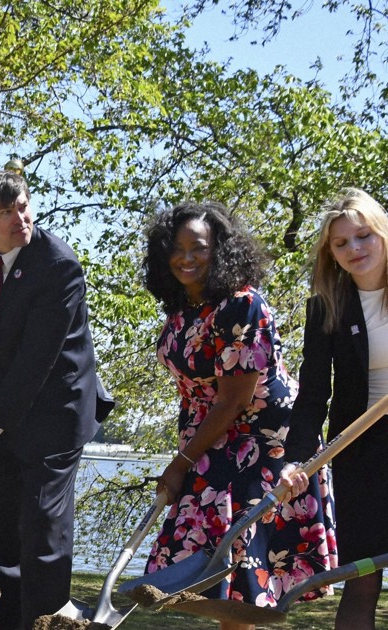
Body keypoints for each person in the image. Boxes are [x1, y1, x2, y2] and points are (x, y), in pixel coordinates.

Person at [141, 201, 338, 630]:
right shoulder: (182, 311)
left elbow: (232, 400)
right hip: (210, 445)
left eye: (199, 248)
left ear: (220, 251)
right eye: (177, 249)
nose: (187, 258)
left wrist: (180, 464)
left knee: (242, 578)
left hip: (260, 448)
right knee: (215, 582)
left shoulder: (242, 305)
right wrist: (189, 455)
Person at [0, 170, 112, 630]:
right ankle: (7, 621)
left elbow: (36, 359)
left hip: (57, 410)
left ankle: (45, 621)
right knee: (2, 528)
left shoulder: (58, 264)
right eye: (6, 212)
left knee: (41, 527)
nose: (20, 218)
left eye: (23, 206)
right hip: (1, 402)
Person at [279, 188, 388, 630]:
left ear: (382, 234)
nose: (354, 249)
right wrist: (295, 460)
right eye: (341, 243)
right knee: (362, 578)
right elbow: (312, 394)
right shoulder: (327, 307)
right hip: (360, 450)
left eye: (363, 236)